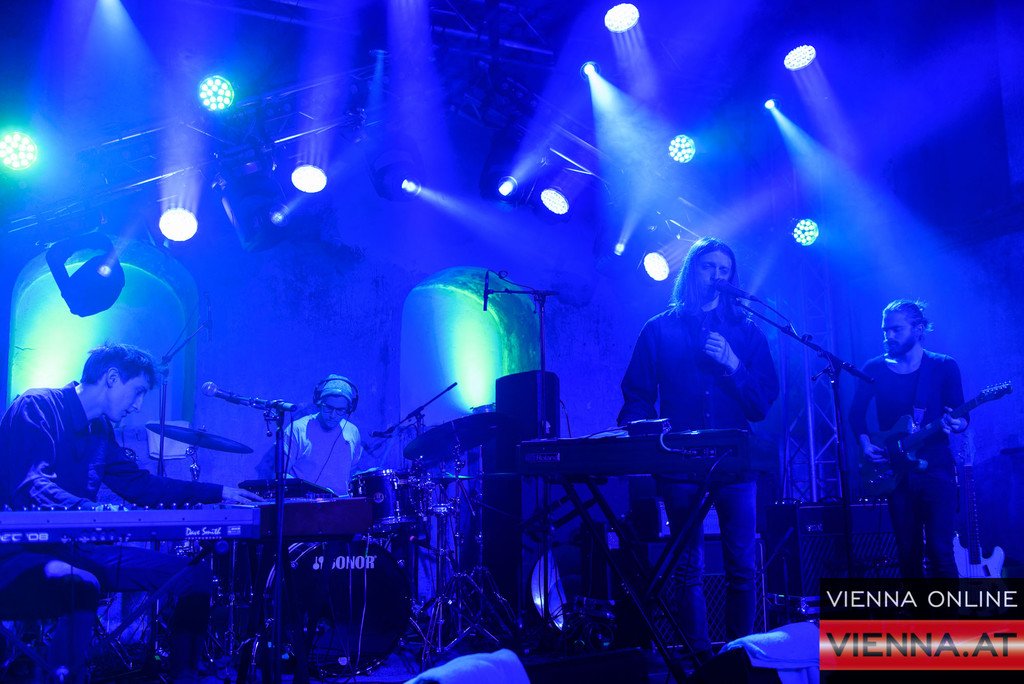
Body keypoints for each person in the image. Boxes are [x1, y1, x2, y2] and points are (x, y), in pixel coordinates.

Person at [0, 343, 262, 683]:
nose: (138, 405)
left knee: (194, 577)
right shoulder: (36, 406)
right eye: (137, 392)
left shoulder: (100, 431)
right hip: (19, 552)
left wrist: (218, 492)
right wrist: (94, 511)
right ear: (111, 378)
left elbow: (139, 485)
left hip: (75, 549)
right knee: (81, 584)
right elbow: (30, 485)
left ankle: (185, 677)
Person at [618, 237, 779, 663]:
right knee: (688, 566)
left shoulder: (747, 333)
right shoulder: (659, 329)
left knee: (742, 565)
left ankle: (739, 659)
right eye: (709, 267)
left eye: (725, 270)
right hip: (679, 462)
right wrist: (642, 435)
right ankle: (700, 660)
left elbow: (761, 404)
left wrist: (734, 365)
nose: (717, 276)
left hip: (735, 462)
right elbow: (636, 396)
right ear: (692, 271)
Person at [849, 299, 967, 578]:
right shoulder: (874, 368)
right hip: (896, 470)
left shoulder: (943, 366)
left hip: (936, 468)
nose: (888, 336)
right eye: (885, 330)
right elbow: (856, 415)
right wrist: (866, 445)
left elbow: (962, 416)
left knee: (941, 550)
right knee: (907, 552)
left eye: (896, 329)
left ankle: (950, 609)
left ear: (919, 328)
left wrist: (957, 423)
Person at [256, 374, 362, 497]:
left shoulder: (352, 432)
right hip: (305, 503)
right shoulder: (297, 429)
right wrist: (314, 492)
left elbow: (352, 473)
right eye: (328, 408)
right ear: (319, 403)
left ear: (349, 409)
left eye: (340, 410)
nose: (333, 415)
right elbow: (279, 475)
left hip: (341, 504)